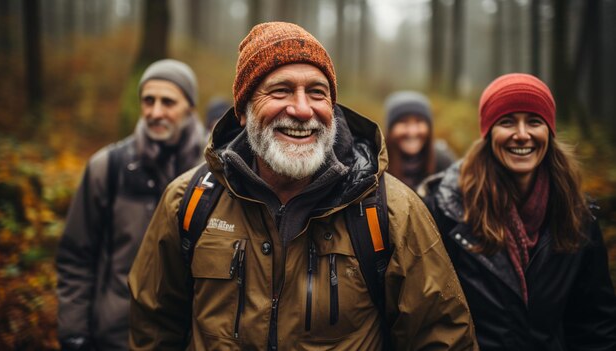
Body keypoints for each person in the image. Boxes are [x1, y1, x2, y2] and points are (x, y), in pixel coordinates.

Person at [128, 22, 477, 350]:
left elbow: (442, 337)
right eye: (280, 90)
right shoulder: (189, 202)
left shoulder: (391, 211)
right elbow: (153, 329)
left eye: (317, 92)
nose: (301, 109)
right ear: (244, 110)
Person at [420, 73, 616, 350]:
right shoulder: (447, 210)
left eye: (534, 121)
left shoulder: (578, 215)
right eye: (507, 122)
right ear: (488, 133)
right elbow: (427, 317)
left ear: (549, 130)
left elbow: (594, 324)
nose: (522, 134)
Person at [56, 59, 208, 350]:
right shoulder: (108, 167)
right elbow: (76, 255)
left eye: (168, 102)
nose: (155, 112)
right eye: (148, 101)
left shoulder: (212, 173)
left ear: (190, 107)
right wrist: (73, 331)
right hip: (114, 335)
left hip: (189, 337)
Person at [384, 90, 455, 189]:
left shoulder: (443, 161)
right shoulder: (377, 165)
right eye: (404, 122)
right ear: (390, 129)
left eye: (419, 121)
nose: (412, 132)